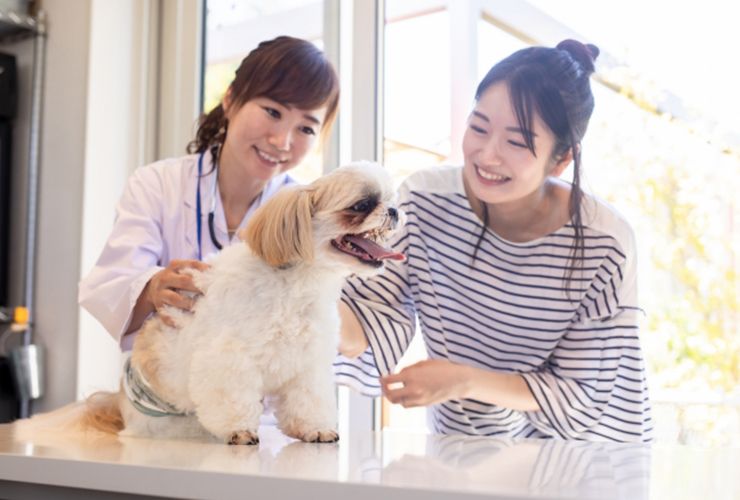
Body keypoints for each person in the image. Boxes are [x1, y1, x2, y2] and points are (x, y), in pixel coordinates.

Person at [335, 40, 653, 442]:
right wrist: (301, 292)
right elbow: (368, 314)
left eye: (517, 143)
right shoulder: (423, 200)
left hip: (586, 459)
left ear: (561, 159)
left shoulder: (603, 242)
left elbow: (584, 394)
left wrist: (464, 381)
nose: (487, 155)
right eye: (479, 127)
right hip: (468, 451)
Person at [79, 36, 339, 351]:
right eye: (272, 112)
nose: (282, 141)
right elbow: (113, 287)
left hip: (257, 397)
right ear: (230, 100)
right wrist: (152, 289)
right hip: (162, 390)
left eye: (306, 128)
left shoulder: (305, 216)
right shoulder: (158, 185)